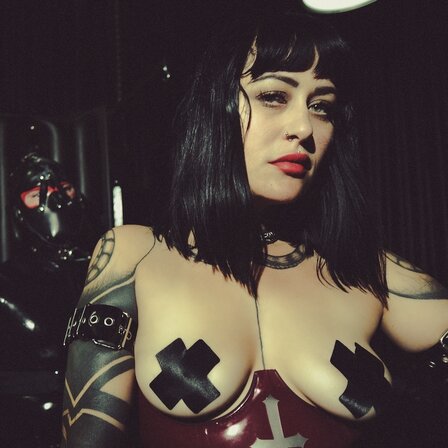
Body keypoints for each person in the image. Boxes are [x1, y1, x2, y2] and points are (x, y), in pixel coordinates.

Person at [61, 10, 448, 448]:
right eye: (274, 96)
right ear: (217, 108)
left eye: (321, 106)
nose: (303, 128)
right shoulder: (136, 255)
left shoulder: (362, 270)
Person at [0, 153, 98, 447]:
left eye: (64, 190)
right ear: (19, 211)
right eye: (37, 195)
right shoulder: (6, 283)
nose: (55, 202)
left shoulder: (105, 270)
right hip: (28, 430)